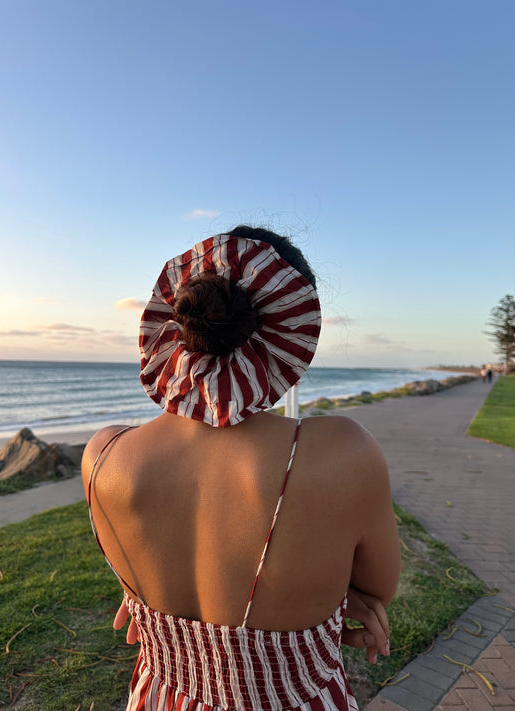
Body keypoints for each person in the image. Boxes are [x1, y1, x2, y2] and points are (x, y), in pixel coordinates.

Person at [82, 226, 401, 711]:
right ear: (290, 337)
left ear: (173, 328)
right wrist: (325, 595)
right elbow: (378, 590)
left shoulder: (104, 456)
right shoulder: (343, 454)